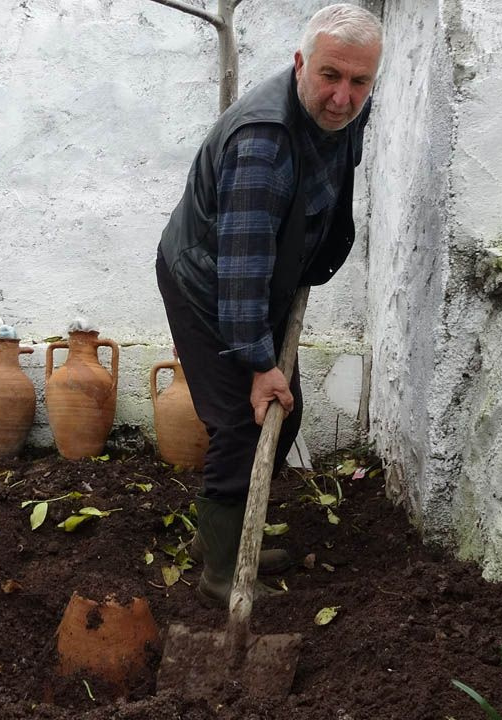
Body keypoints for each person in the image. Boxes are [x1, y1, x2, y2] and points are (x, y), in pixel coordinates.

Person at [155, 3, 383, 608]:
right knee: (244, 418)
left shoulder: (340, 111)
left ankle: (220, 536)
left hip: (267, 270)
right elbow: (241, 269)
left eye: (360, 82)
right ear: (300, 63)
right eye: (330, 76)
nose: (343, 97)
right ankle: (222, 572)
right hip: (210, 278)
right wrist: (258, 363)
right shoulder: (264, 143)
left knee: (288, 411)